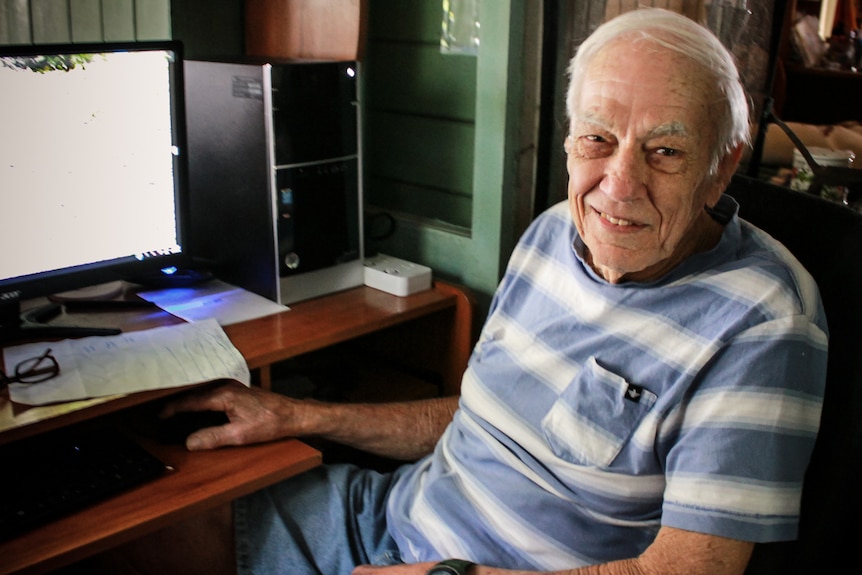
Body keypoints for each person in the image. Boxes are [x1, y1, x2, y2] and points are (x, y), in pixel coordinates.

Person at [118, 8, 828, 575]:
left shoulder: (763, 319)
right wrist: (294, 413)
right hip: (387, 518)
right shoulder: (553, 233)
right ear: (570, 139)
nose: (620, 185)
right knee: (143, 532)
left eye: (665, 151)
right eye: (597, 140)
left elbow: (686, 571)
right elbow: (479, 419)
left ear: (722, 164)